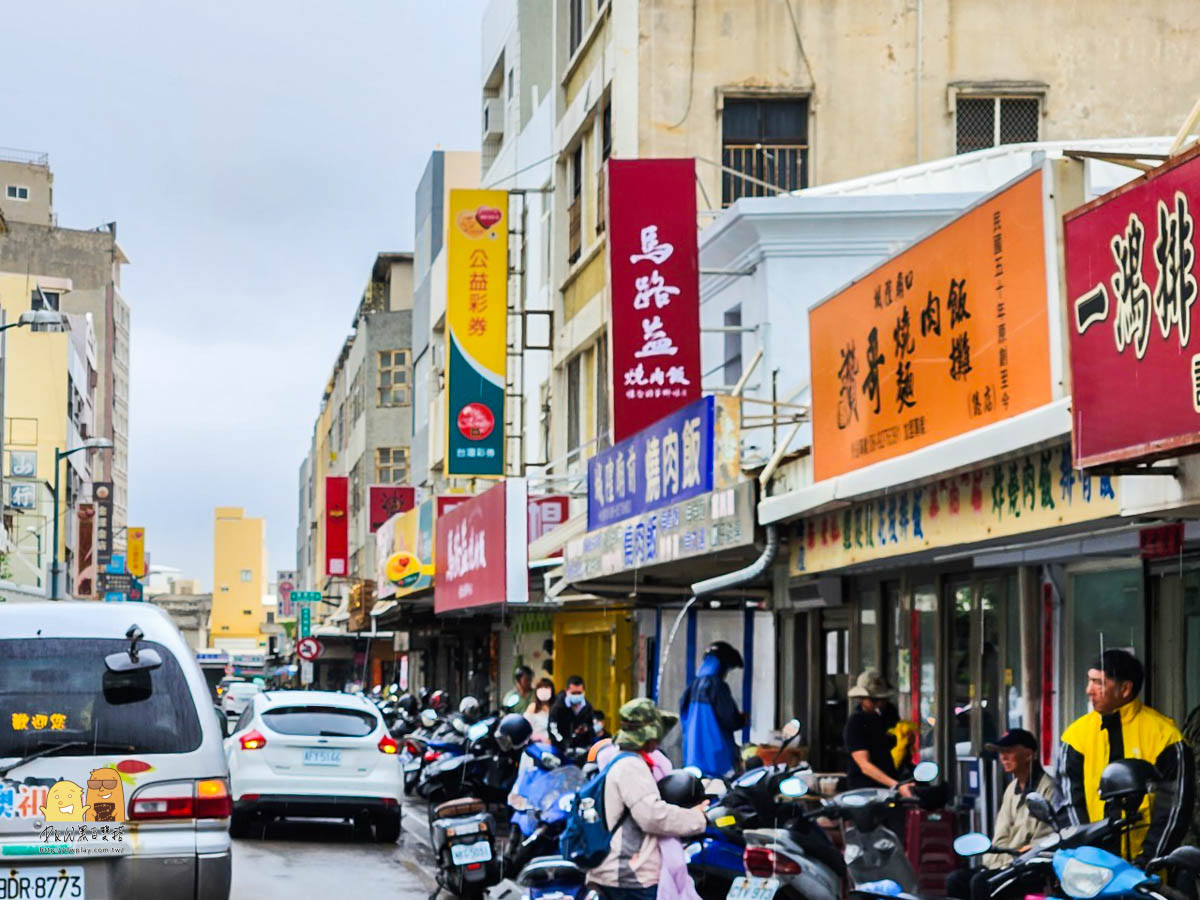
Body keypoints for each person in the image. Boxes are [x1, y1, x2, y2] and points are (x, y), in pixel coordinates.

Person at [1058, 649, 1195, 865]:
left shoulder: (1165, 737)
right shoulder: (1075, 737)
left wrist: (1148, 861)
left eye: (1098, 682)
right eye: (1089, 681)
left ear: (1125, 689)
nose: (1088, 690)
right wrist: (1086, 856)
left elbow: (1174, 809)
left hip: (1149, 872)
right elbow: (1069, 804)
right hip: (1089, 872)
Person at [588, 698, 708, 900]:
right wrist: (696, 817)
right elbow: (652, 816)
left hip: (618, 872)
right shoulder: (631, 767)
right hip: (628, 874)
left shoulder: (619, 761)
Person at [945, 729, 1057, 900]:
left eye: (1009, 751)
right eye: (1001, 752)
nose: (1003, 757)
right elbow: (1001, 836)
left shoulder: (1048, 788)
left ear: (1028, 755)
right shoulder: (1011, 789)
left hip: (1029, 867)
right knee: (955, 880)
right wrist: (996, 864)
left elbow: (1043, 840)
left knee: (981, 883)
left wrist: (1010, 861)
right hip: (1004, 864)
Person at [679, 641, 747, 779]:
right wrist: (742, 719)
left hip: (692, 759)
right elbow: (730, 719)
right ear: (722, 666)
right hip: (716, 762)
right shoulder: (717, 686)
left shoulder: (692, 686)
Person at [844, 669, 912, 795]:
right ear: (862, 699)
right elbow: (864, 765)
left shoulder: (890, 713)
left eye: (883, 699)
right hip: (865, 789)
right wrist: (896, 786)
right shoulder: (856, 722)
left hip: (893, 783)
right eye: (874, 700)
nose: (880, 704)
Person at [550, 675, 596, 758]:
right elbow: (552, 729)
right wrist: (563, 743)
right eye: (573, 693)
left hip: (582, 751)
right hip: (560, 751)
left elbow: (592, 727)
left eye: (579, 693)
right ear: (567, 691)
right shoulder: (558, 707)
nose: (576, 696)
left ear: (584, 691)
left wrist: (585, 729)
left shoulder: (587, 707)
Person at [524, 677, 556, 743]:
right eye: (540, 687)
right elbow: (525, 728)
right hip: (537, 744)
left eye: (546, 687)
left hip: (555, 744)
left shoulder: (556, 707)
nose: (543, 690)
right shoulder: (532, 707)